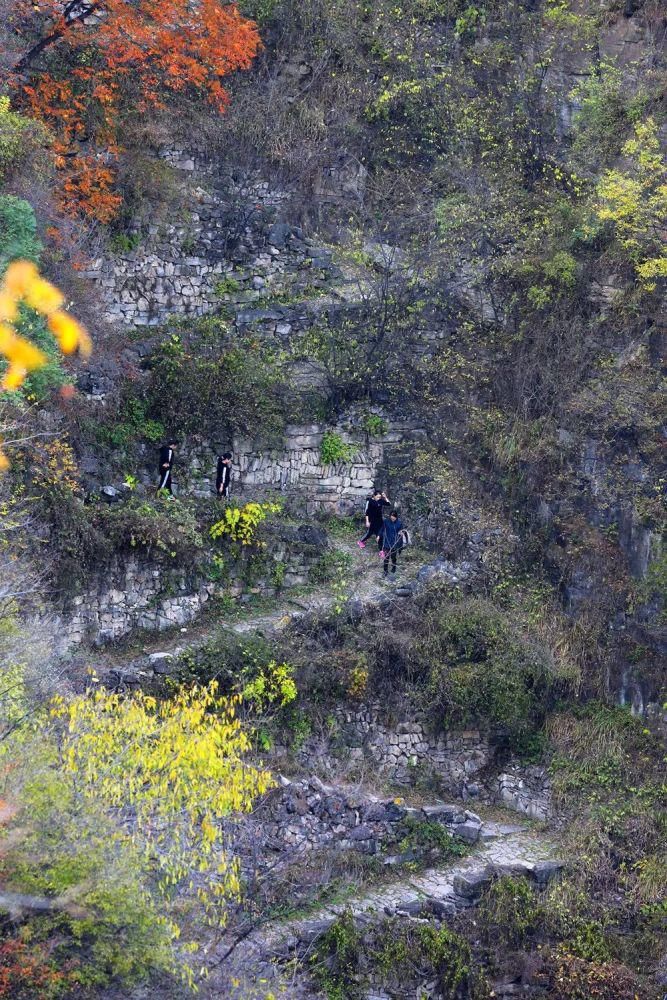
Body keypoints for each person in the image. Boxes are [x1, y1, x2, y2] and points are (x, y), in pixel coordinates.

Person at [379, 509, 404, 575]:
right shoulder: (386, 522)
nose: (392, 518)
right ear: (390, 516)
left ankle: (394, 567)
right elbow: (382, 529)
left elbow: (401, 531)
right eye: (391, 516)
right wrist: (379, 535)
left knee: (393, 557)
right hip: (387, 542)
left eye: (394, 517)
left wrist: (401, 533)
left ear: (396, 517)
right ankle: (385, 571)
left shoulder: (399, 523)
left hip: (394, 542)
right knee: (386, 557)